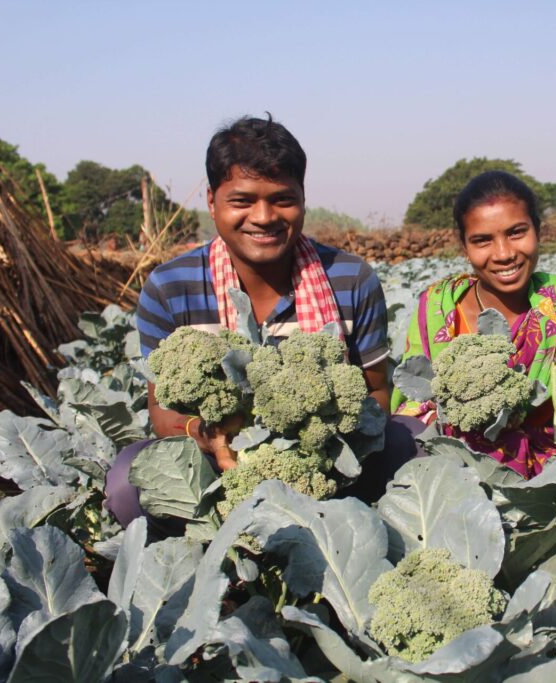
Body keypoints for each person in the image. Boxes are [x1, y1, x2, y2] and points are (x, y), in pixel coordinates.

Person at [106, 115, 397, 526]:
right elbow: (162, 411)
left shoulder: (350, 279)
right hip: (218, 467)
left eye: (282, 199)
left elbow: (378, 393)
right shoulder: (171, 286)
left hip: (329, 466)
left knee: (409, 445)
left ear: (303, 198)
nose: (263, 217)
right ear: (212, 201)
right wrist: (208, 435)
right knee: (127, 482)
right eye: (242, 201)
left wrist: (320, 443)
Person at [391, 170, 556, 478]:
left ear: (538, 230)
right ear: (464, 245)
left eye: (516, 233)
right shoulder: (437, 307)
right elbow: (415, 405)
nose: (504, 254)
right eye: (482, 240)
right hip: (453, 465)